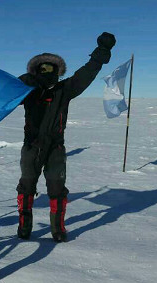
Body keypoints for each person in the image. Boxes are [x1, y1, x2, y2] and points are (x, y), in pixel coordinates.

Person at [16, 32, 116, 242]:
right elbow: (3, 93)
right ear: (35, 71)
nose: (46, 72)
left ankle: (57, 228)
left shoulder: (65, 89)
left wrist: (101, 53)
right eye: (41, 69)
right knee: (26, 186)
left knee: (57, 188)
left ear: (57, 71)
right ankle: (25, 226)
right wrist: (25, 81)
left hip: (55, 148)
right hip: (31, 146)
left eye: (50, 68)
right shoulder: (26, 90)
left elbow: (86, 74)